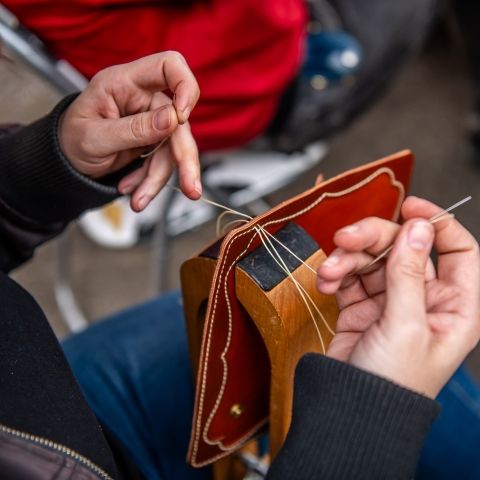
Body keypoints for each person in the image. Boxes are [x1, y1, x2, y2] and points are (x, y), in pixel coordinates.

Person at [0, 50, 479, 479]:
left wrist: (46, 159)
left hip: (40, 395)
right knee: (409, 359)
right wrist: (368, 416)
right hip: (82, 450)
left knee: (374, 325)